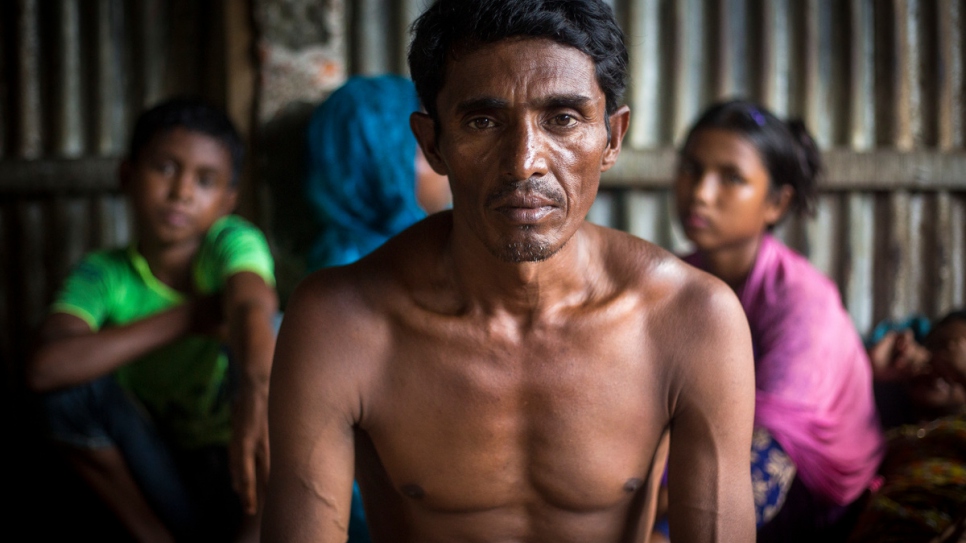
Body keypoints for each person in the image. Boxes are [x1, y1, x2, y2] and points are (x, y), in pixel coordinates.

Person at [262, 1, 757, 542]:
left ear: (612, 138)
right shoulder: (340, 326)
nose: (525, 162)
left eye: (563, 119)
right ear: (433, 144)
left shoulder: (691, 321)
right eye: (482, 120)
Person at [25, 97, 278, 542]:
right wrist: (193, 315)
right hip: (160, 470)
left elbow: (252, 305)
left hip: (246, 465)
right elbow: (45, 369)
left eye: (204, 180)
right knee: (66, 395)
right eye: (165, 168)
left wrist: (258, 396)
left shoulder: (230, 242)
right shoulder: (103, 275)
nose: (181, 191)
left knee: (269, 338)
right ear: (127, 175)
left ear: (227, 201)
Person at [672, 99, 885, 542]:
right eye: (692, 168)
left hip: (810, 503)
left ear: (776, 202)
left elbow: (767, 466)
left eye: (731, 178)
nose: (701, 192)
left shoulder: (802, 301)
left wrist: (662, 533)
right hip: (709, 467)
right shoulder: (676, 280)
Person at [302, 74, 452, 542]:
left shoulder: (333, 261)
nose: (444, 165)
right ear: (381, 162)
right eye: (424, 150)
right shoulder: (363, 283)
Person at [304, 74, 450, 272]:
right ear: (380, 174)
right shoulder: (348, 285)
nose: (453, 156)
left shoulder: (444, 251)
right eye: (430, 146)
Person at [848, 309, 966, 542]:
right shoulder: (887, 428)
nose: (942, 365)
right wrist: (868, 369)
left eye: (956, 354)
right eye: (937, 348)